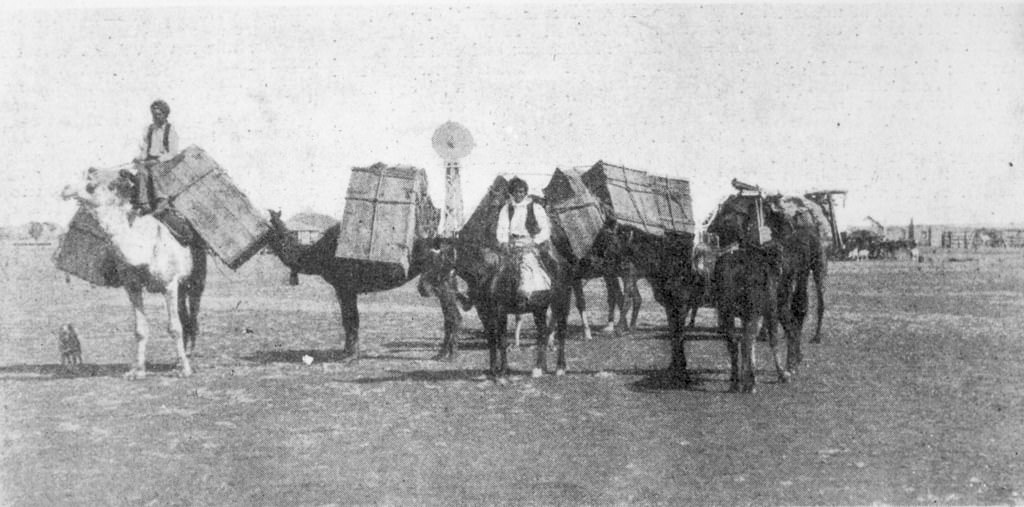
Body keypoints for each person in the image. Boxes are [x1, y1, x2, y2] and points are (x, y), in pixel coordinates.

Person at [132, 99, 180, 215]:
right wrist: (139, 159)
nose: (156, 117)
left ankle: (161, 201)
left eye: (159, 114)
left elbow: (173, 153)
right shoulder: (149, 129)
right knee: (141, 173)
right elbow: (145, 149)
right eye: (154, 114)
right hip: (150, 161)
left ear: (165, 115)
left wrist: (158, 160)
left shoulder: (170, 130)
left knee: (156, 171)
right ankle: (144, 204)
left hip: (164, 162)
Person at [495, 177, 551, 251]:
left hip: (530, 243)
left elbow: (545, 229)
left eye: (521, 192)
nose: (518, 194)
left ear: (525, 193)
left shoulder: (535, 207)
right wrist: (504, 241)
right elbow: (502, 227)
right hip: (512, 243)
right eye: (516, 192)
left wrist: (534, 242)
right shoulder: (506, 209)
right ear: (511, 193)